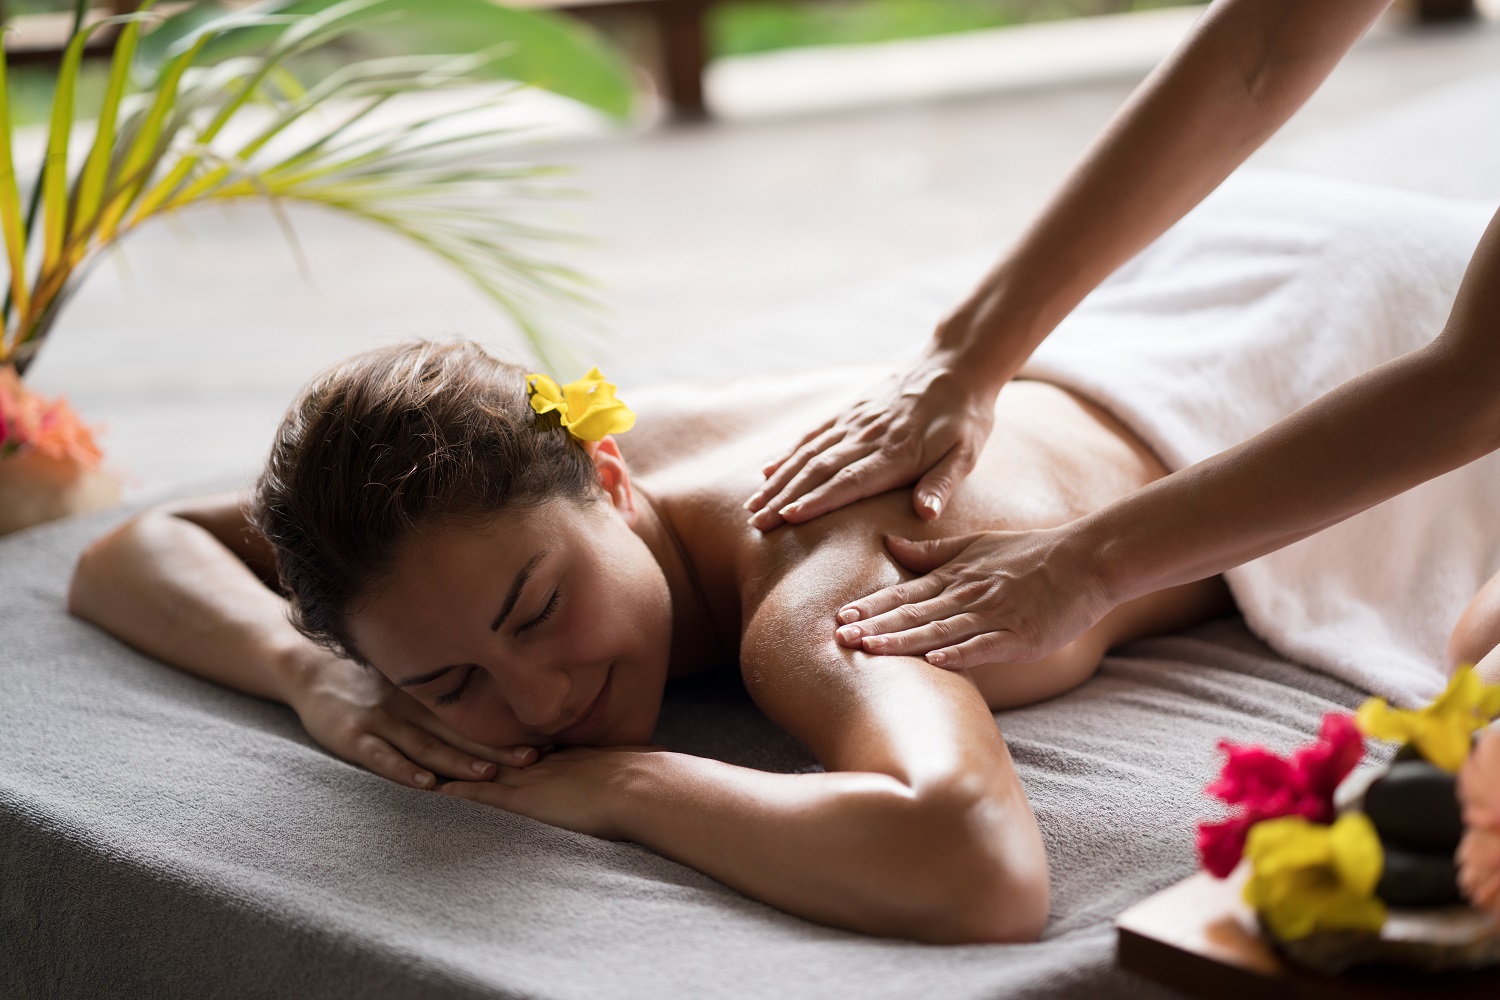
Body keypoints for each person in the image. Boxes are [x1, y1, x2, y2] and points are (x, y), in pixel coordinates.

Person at [68, 339, 1238, 944]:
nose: (536, 697)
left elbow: (976, 868)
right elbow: (130, 549)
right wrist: (313, 678)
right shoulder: (508, 483)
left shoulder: (807, 589)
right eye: (446, 679)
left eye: (536, 610)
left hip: (1252, 382)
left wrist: (621, 784)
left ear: (609, 478)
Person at [743, 0, 1500, 675]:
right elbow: (1259, 50)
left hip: (1443, 337)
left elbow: (1479, 385)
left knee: (1480, 660)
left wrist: (1085, 564)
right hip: (1303, 247)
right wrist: (966, 353)